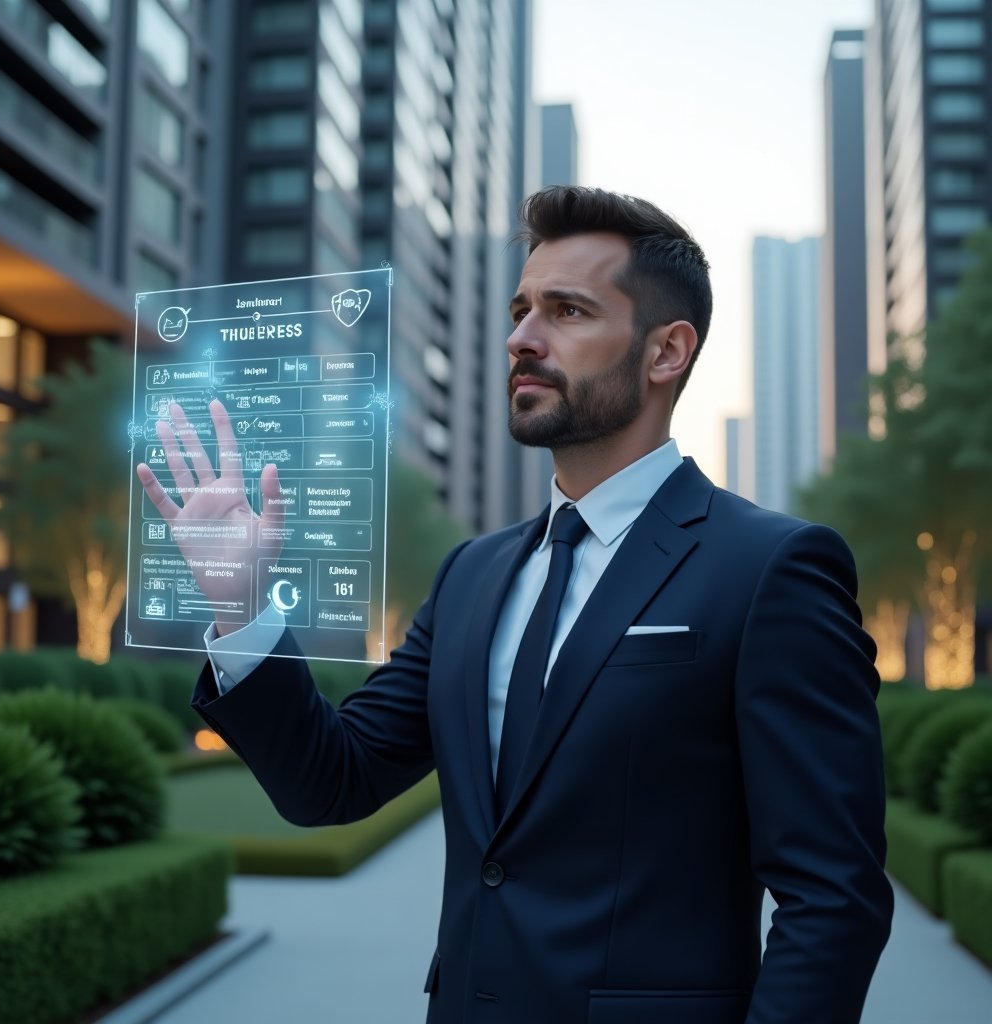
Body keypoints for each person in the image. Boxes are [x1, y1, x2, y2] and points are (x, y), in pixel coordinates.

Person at [137, 186, 893, 1024]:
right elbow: (331, 783)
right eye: (522, 309)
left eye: (567, 311)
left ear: (666, 352)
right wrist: (241, 603)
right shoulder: (472, 576)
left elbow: (834, 898)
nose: (521, 339)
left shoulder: (771, 569)